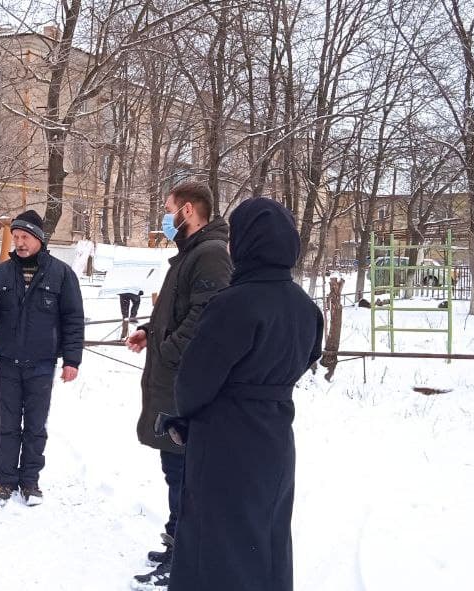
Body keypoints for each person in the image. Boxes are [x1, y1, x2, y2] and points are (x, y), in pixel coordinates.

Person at [165, 198, 324, 591]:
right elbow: (309, 356)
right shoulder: (306, 307)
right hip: (275, 438)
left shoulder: (233, 304)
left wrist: (187, 414)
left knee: (216, 542)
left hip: (225, 440)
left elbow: (194, 382)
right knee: (265, 536)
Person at [125, 181, 232, 589]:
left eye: (169, 209)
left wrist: (168, 351)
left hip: (184, 386)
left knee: (184, 474)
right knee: (176, 469)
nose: (166, 218)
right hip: (173, 380)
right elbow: (180, 310)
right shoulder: (191, 253)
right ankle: (176, 543)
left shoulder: (210, 255)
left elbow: (206, 318)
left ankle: (185, 557)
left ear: (188, 211)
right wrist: (150, 331)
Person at [0, 209, 85, 507]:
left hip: (41, 365)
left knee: (35, 426)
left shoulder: (61, 274)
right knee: (7, 426)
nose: (19, 242)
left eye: (25, 237)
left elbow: (73, 319)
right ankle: (5, 482)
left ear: (39, 238)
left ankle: (30, 482)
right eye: (15, 236)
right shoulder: (1, 273)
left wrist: (72, 360)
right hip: (7, 363)